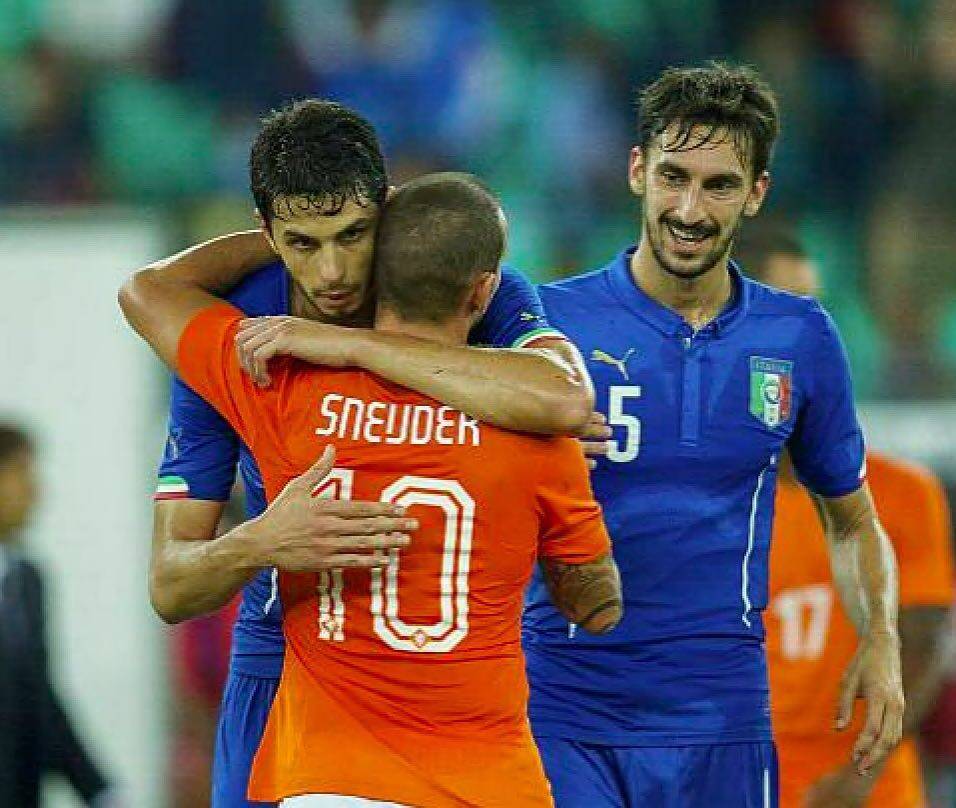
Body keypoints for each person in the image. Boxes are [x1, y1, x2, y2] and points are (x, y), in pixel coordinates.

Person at [139, 99, 598, 806]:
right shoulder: (239, 332)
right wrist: (257, 542)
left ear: (387, 211)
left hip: (453, 677)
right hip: (287, 664)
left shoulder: (463, 287)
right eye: (301, 242)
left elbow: (568, 399)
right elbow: (172, 587)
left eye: (353, 234)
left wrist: (344, 343)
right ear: (266, 231)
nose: (331, 273)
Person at [523, 62, 904, 807]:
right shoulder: (545, 323)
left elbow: (851, 518)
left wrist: (880, 639)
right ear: (638, 171)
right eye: (674, 177)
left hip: (723, 718)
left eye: (720, 184)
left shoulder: (798, 334)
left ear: (756, 193)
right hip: (564, 712)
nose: (690, 209)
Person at [735, 227, 955, 808]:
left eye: (817, 310)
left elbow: (923, 646)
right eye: (783, 310)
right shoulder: (683, 505)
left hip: (867, 788)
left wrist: (857, 777)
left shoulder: (905, 494)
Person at [0, 423, 117, 807]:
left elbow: (41, 698)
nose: (36, 491)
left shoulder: (27, 581)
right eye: (22, 473)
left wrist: (98, 789)